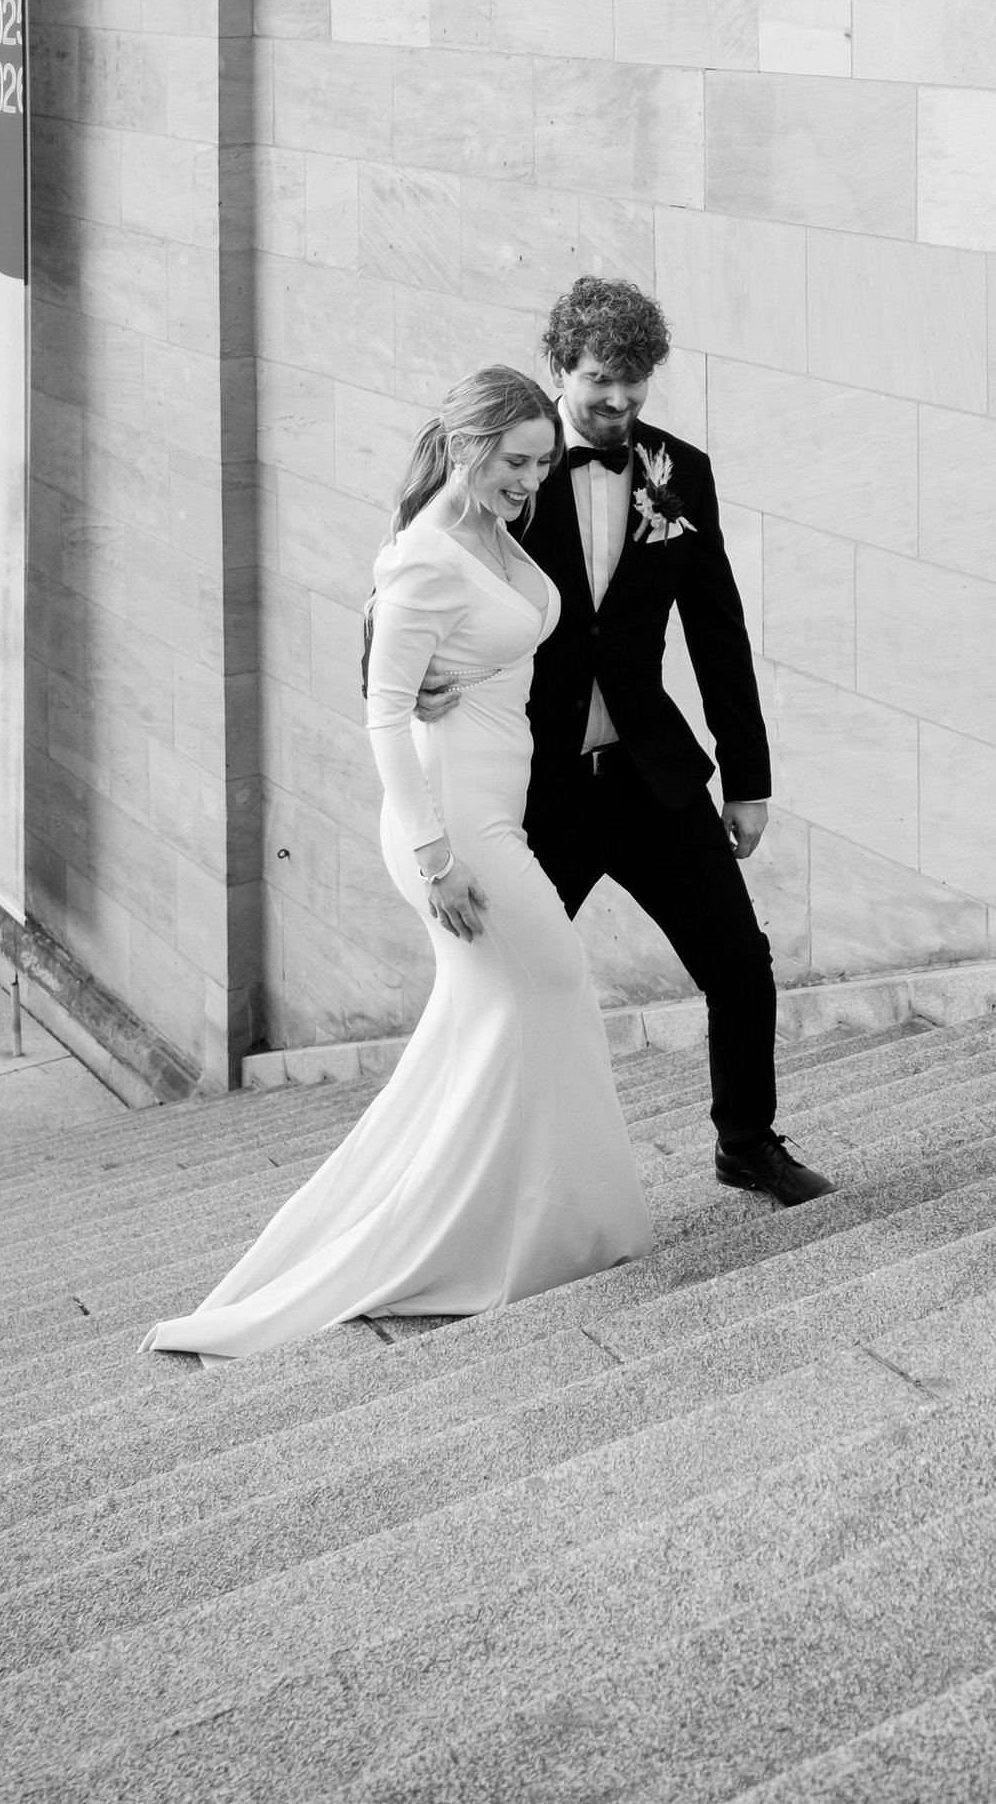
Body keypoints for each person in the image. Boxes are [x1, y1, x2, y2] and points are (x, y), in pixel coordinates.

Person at [144, 369, 650, 1356]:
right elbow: (382, 710)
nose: (530, 482)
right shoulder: (421, 557)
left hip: (492, 807)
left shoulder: (491, 535)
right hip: (452, 828)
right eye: (516, 462)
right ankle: (475, 1239)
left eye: (542, 464)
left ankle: (517, 1228)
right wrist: (434, 860)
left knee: (498, 1019)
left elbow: (500, 642)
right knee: (551, 981)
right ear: (468, 447)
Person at [418, 277, 831, 1209]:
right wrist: (413, 680)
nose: (619, 403)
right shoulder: (507, 468)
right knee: (496, 986)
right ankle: (473, 1177)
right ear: (559, 366)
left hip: (651, 778)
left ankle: (747, 1144)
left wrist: (749, 779)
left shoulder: (679, 473)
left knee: (739, 962)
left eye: (636, 386)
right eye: (602, 380)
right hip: (537, 794)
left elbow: (717, 630)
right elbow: (408, 585)